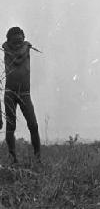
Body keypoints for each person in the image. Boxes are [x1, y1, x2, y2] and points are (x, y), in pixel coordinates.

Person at [2, 27, 41, 163]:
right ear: (9, 41)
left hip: (24, 93)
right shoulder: (8, 47)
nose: (18, 44)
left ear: (23, 39)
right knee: (10, 126)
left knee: (33, 126)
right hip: (10, 93)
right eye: (15, 42)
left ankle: (38, 158)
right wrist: (26, 45)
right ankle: (13, 159)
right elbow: (18, 58)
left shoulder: (23, 47)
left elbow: (19, 53)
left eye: (20, 41)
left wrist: (25, 45)